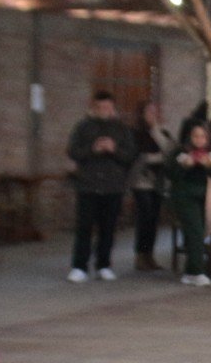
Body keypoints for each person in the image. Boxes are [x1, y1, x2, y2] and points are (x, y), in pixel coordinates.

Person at [65, 91, 136, 282]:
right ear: (94, 108)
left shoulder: (122, 129)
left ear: (113, 108)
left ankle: (103, 264)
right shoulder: (82, 127)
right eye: (101, 107)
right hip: (88, 185)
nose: (105, 110)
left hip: (113, 186)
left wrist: (114, 150)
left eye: (108, 107)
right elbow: (72, 151)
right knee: (84, 227)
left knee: (108, 227)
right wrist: (92, 149)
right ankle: (80, 266)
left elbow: (130, 156)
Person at [167, 121, 211, 285]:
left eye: (203, 136)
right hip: (185, 197)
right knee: (195, 230)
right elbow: (170, 173)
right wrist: (184, 166)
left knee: (199, 232)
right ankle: (197, 271)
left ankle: (190, 271)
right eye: (196, 136)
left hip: (205, 199)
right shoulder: (180, 153)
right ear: (190, 137)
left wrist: (210, 166)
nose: (199, 140)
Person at [128, 100, 172, 272]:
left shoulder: (162, 132)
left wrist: (156, 130)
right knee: (144, 217)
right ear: (142, 114)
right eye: (149, 112)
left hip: (157, 182)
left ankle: (149, 255)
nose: (153, 115)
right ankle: (140, 254)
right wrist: (157, 158)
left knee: (154, 219)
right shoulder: (135, 133)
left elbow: (170, 152)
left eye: (156, 111)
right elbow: (139, 157)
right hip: (141, 181)